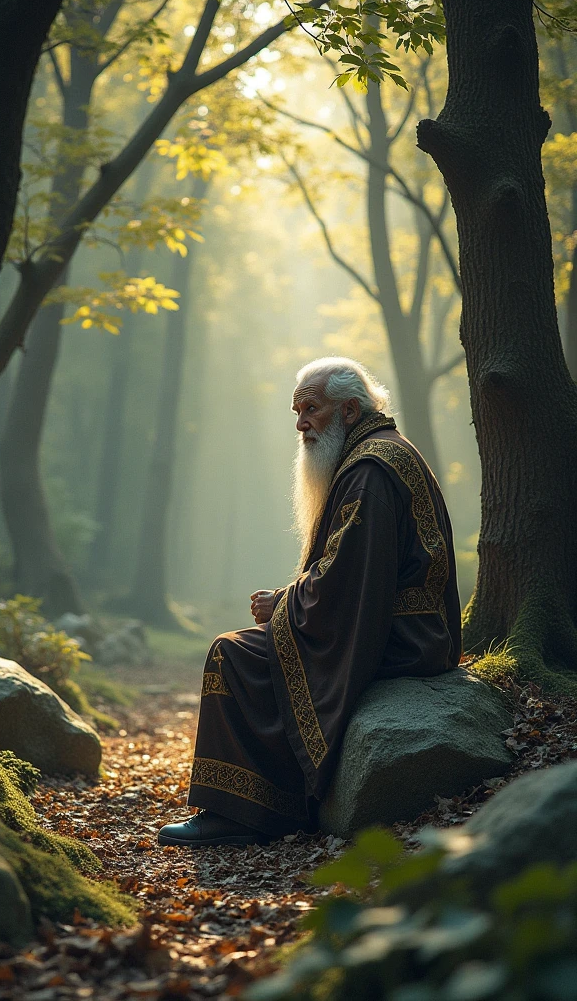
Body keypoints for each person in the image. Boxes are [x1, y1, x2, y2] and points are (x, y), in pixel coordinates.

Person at [158, 356, 461, 848]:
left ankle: (240, 811)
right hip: (407, 629)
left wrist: (283, 603)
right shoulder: (380, 454)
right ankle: (267, 802)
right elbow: (351, 574)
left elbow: (347, 583)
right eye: (296, 412)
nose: (301, 424)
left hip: (403, 638)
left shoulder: (370, 470)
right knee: (250, 653)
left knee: (232, 655)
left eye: (311, 410)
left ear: (348, 411)